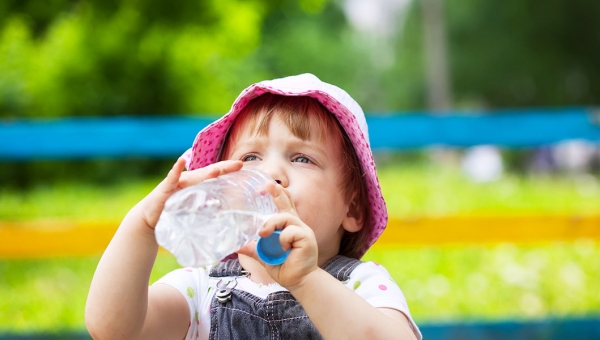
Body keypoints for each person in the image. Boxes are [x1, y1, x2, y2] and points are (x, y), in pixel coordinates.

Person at [85, 73, 422, 340]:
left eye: (302, 158)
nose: (269, 173)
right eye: (250, 158)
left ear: (352, 210)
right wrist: (142, 225)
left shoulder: (361, 285)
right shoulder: (200, 290)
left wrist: (306, 280)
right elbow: (115, 330)